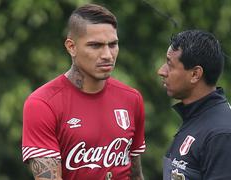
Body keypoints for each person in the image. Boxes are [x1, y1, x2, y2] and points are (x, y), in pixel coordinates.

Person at [22, 4, 146, 180]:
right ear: (71, 47)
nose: (107, 55)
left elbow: (135, 175)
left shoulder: (131, 99)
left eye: (113, 44)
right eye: (95, 45)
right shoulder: (42, 104)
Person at [158, 29, 231, 180]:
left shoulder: (223, 135)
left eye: (170, 65)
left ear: (195, 74)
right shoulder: (196, 117)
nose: (161, 71)